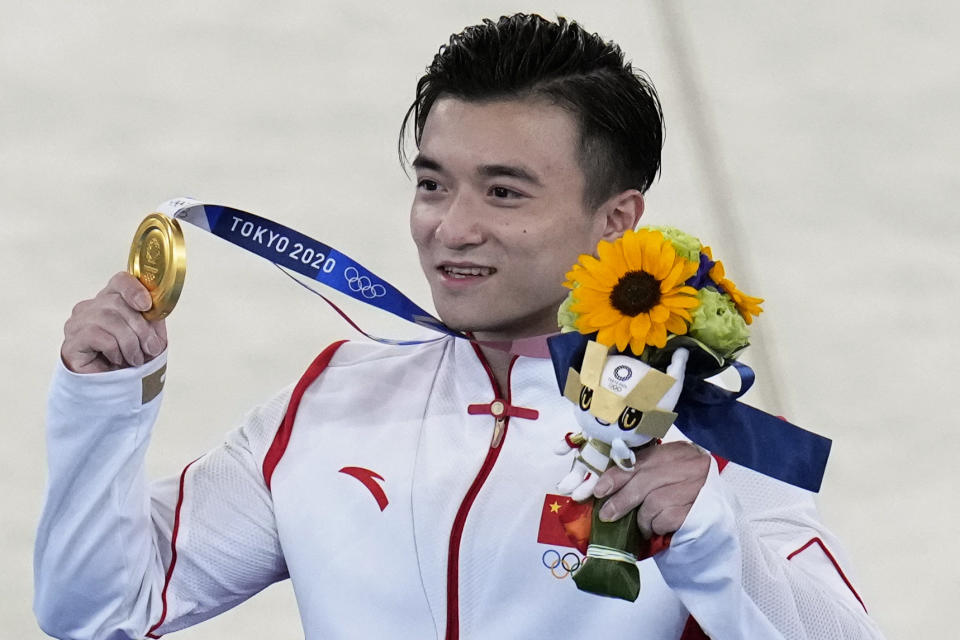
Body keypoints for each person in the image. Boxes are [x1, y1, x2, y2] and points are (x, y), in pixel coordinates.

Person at [35, 13, 885, 640]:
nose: (452, 226)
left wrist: (708, 537)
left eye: (504, 191)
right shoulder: (332, 404)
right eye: (434, 183)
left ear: (616, 220)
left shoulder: (703, 441)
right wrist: (103, 408)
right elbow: (98, 612)